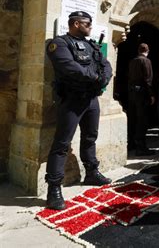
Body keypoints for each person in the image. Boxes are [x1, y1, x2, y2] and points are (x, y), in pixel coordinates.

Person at [45, 11, 113, 210]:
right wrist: (94, 77)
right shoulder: (59, 43)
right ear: (76, 24)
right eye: (87, 24)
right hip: (72, 100)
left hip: (91, 99)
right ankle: (54, 189)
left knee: (90, 136)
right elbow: (68, 67)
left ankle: (91, 172)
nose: (91, 27)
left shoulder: (92, 44)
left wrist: (104, 78)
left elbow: (106, 65)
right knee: (62, 143)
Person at [127, 43, 155, 156]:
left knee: (133, 118)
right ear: (147, 51)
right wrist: (151, 94)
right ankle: (141, 147)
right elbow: (148, 79)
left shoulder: (133, 61)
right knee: (142, 120)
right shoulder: (146, 61)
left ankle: (131, 144)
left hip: (132, 92)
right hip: (142, 92)